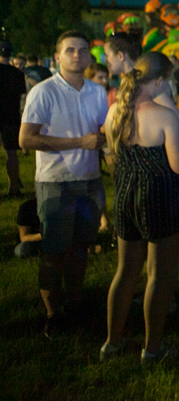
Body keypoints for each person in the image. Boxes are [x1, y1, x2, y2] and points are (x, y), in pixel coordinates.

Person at [100, 52, 179, 364]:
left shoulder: (115, 111)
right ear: (161, 81)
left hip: (126, 194)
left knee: (125, 271)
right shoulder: (164, 116)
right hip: (160, 197)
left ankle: (112, 342)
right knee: (159, 275)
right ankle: (152, 348)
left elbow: (112, 155)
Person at [19, 31, 109, 338]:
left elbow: (101, 133)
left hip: (89, 179)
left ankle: (75, 302)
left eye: (83, 50)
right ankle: (52, 314)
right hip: (56, 181)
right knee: (54, 251)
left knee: (81, 248)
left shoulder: (97, 91)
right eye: (70, 50)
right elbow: (26, 139)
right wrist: (79, 143)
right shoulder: (44, 92)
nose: (77, 55)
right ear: (57, 56)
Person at [1, 41, 27, 196]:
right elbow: (22, 95)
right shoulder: (17, 73)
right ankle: (13, 187)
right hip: (11, 115)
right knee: (11, 154)